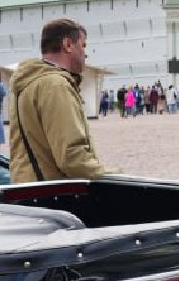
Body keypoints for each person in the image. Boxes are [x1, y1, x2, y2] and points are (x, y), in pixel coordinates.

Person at [9, 18, 106, 182]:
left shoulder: (29, 81)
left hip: (29, 186)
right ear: (68, 44)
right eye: (83, 45)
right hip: (51, 191)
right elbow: (71, 156)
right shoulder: (55, 85)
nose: (85, 53)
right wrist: (110, 175)